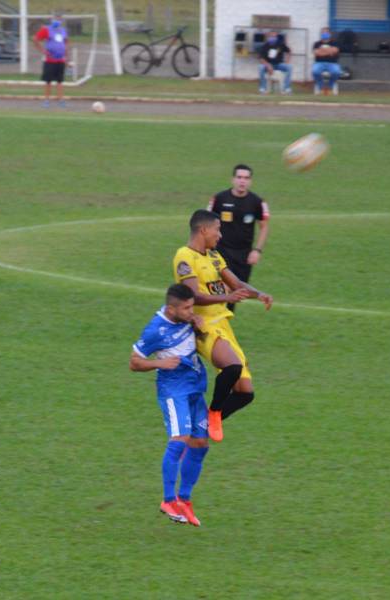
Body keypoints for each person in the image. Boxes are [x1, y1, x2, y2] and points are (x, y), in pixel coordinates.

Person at [173, 210, 274, 443]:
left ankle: (204, 422)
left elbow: (236, 284)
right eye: (217, 230)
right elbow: (194, 296)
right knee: (232, 367)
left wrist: (259, 294)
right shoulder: (184, 257)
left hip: (223, 324)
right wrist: (226, 298)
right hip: (202, 325)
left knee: (245, 393)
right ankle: (214, 412)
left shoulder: (214, 256)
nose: (220, 235)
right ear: (203, 230)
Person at [130, 284, 209, 526]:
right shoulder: (156, 329)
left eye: (191, 306)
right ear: (171, 308)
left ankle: (184, 500)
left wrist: (200, 329)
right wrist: (159, 364)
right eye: (186, 308)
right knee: (179, 439)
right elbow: (134, 362)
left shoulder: (187, 319)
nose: (190, 311)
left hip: (195, 387)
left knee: (200, 443)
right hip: (174, 390)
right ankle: (168, 499)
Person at [207, 164, 270, 312]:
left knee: (237, 294)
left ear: (250, 181)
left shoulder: (257, 202)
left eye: (246, 178)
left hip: (244, 256)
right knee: (219, 290)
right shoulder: (219, 199)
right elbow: (206, 223)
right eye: (239, 177)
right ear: (233, 179)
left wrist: (257, 250)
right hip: (221, 252)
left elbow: (264, 226)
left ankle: (223, 328)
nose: (242, 181)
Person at [33, 12, 68, 108]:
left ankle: (60, 100)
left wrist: (67, 57)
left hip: (60, 60)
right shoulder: (47, 29)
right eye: (55, 19)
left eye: (59, 19)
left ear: (61, 21)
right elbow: (35, 39)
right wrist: (43, 51)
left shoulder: (63, 30)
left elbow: (66, 44)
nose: (57, 21)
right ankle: (46, 100)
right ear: (52, 20)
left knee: (60, 81)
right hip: (50, 60)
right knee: (48, 81)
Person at [312, 27, 342, 95]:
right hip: (319, 63)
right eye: (323, 32)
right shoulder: (316, 43)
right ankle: (321, 87)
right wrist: (330, 51)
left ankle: (330, 87)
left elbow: (335, 50)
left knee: (336, 72)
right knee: (315, 71)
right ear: (321, 34)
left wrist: (322, 51)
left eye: (326, 32)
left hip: (332, 63)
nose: (324, 34)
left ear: (330, 34)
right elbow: (316, 53)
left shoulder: (335, 42)